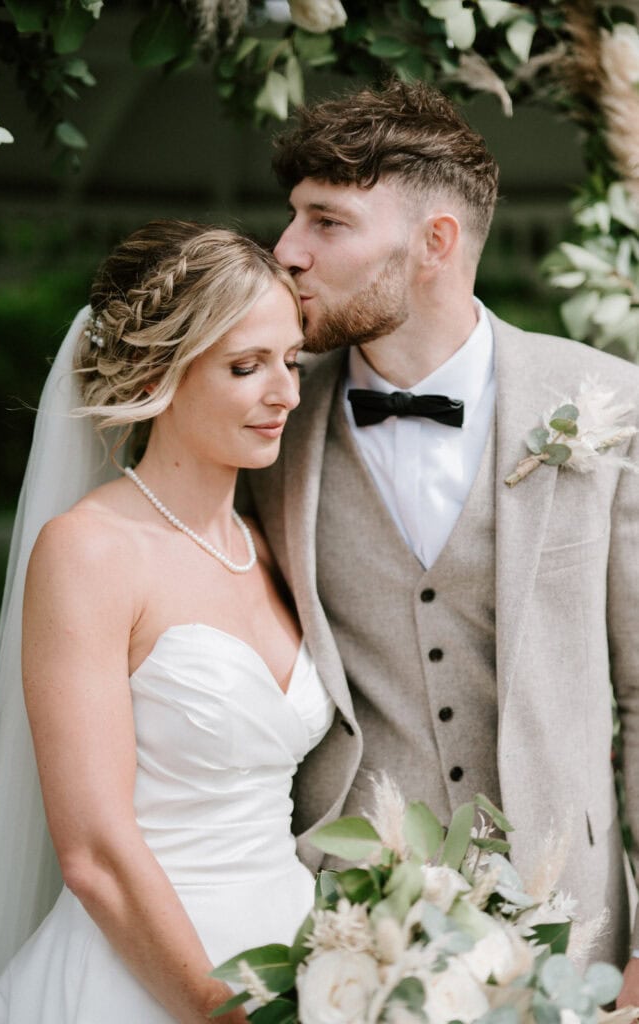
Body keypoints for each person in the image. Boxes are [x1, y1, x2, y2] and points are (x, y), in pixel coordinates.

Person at [245, 79, 639, 995]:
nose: (286, 252)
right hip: (346, 928)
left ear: (436, 243)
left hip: (573, 928)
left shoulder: (608, 405)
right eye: (292, 217)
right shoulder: (268, 419)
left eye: (327, 222)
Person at [0, 220, 335, 1024]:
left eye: (290, 362)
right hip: (149, 972)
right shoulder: (90, 552)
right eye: (247, 367)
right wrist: (218, 1008)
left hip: (301, 952)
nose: (286, 395)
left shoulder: (265, 541)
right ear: (161, 371)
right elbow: (93, 852)